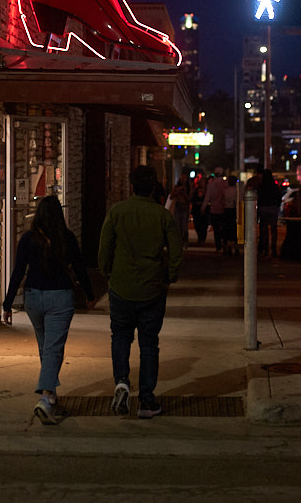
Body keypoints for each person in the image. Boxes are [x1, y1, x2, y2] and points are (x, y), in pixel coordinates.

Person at [98, 165, 183, 419]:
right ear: (154, 188)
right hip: (152, 289)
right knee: (149, 344)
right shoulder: (162, 216)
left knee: (120, 337)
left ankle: (122, 381)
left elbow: (104, 250)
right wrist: (170, 276)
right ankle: (146, 400)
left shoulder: (117, 212)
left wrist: (108, 274)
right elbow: (176, 252)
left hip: (122, 287)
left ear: (131, 186)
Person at [3, 195, 95, 426]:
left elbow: (18, 272)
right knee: (53, 349)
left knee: (46, 348)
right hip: (60, 298)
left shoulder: (27, 239)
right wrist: (89, 294)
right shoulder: (66, 238)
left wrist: (8, 303)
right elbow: (80, 268)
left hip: (34, 298)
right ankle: (45, 398)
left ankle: (51, 395)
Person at [257, 169, 282, 257]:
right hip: (272, 207)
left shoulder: (261, 186)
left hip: (263, 208)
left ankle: (266, 248)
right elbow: (279, 197)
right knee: (273, 229)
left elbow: (258, 198)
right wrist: (277, 205)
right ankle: (273, 248)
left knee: (264, 229)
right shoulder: (274, 186)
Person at [202, 167, 227, 252]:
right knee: (223, 227)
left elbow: (207, 197)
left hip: (214, 209)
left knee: (216, 229)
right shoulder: (225, 183)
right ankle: (225, 243)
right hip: (224, 209)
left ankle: (218, 246)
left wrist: (203, 207)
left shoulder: (211, 184)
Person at [168, 173, 190, 248]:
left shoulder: (188, 188)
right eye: (182, 178)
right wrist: (176, 192)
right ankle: (179, 241)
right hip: (178, 207)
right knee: (177, 225)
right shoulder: (176, 187)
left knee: (184, 225)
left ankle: (185, 240)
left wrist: (184, 194)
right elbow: (171, 196)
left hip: (185, 207)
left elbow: (190, 199)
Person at [222, 174, 240, 255]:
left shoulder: (225, 191)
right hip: (233, 210)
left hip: (226, 210)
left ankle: (228, 246)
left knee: (227, 229)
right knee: (233, 229)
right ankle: (235, 247)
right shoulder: (237, 191)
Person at [189, 174, 209, 245]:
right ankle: (199, 237)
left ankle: (202, 239)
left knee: (204, 226)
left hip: (204, 211)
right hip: (196, 211)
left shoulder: (207, 192)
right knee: (197, 225)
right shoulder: (195, 191)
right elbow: (192, 198)